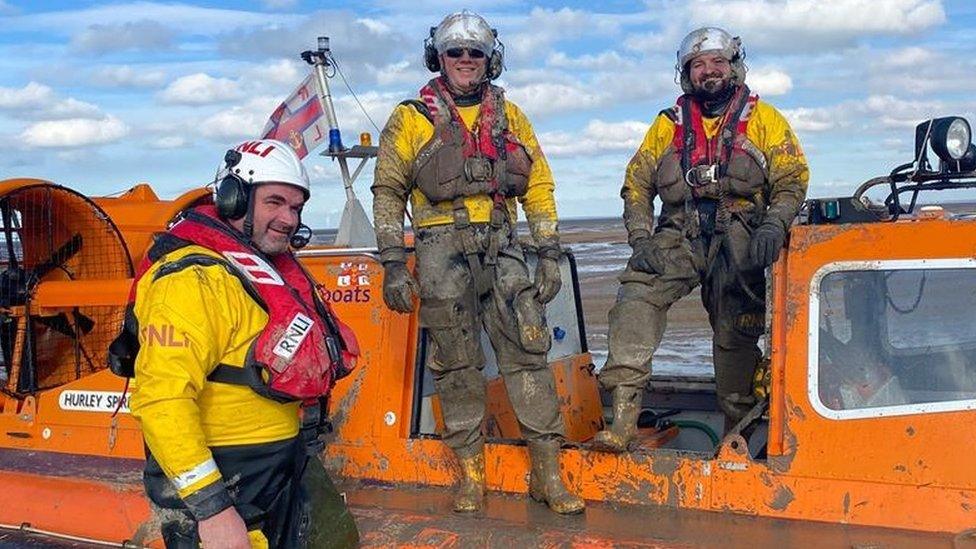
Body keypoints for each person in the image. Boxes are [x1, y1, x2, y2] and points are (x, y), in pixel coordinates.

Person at [371, 10, 583, 514]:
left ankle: (547, 477)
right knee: (457, 366)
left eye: (475, 52)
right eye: (455, 52)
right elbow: (387, 190)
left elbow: (538, 186)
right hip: (439, 251)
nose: (466, 61)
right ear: (438, 57)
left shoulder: (512, 117)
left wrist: (548, 252)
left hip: (502, 247)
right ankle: (470, 478)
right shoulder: (410, 118)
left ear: (490, 59)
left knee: (529, 356)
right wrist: (393, 264)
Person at [124, 139, 358, 547]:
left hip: (282, 467)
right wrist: (212, 509)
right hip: (228, 479)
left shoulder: (264, 271)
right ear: (234, 199)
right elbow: (161, 400)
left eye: (296, 207)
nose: (288, 218)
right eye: (275, 202)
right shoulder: (190, 281)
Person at [593, 27, 809, 452]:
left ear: (733, 66)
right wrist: (641, 239)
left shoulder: (764, 120)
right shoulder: (667, 126)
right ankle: (621, 422)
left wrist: (774, 224)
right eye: (698, 64)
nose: (708, 71)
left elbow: (793, 178)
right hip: (678, 233)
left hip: (740, 235)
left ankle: (736, 435)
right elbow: (636, 184)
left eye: (717, 62)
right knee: (635, 300)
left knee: (736, 336)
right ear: (686, 73)